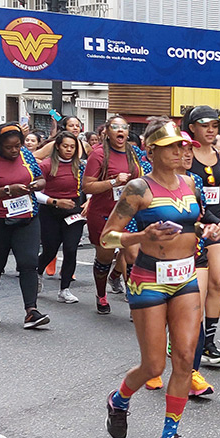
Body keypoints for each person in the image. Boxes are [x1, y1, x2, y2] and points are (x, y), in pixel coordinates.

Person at [102, 119, 220, 438]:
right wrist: (143, 237)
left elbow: (192, 224)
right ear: (152, 151)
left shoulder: (191, 183)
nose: (180, 151)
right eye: (172, 147)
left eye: (183, 146)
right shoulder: (139, 189)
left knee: (185, 358)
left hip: (185, 278)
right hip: (149, 279)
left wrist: (209, 230)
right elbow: (107, 236)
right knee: (154, 365)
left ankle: (169, 435)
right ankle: (119, 399)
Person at [0, 122, 50, 328]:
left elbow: (41, 178)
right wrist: (6, 190)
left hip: (26, 219)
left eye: (18, 145)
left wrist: (36, 185)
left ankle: (31, 311)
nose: (15, 150)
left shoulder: (26, 156)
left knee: (28, 263)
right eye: (9, 147)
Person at [181, 106, 220, 365]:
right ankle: (189, 338)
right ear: (192, 128)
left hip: (218, 223)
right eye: (205, 125)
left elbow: (219, 189)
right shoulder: (185, 152)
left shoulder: (219, 154)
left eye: (215, 125)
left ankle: (209, 340)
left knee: (218, 282)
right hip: (193, 223)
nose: (212, 130)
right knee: (196, 290)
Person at [83, 115, 143, 314]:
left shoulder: (133, 152)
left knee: (134, 255)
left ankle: (135, 301)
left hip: (129, 213)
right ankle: (101, 295)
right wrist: (114, 182)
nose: (121, 131)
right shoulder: (98, 154)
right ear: (106, 132)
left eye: (124, 127)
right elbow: (87, 186)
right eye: (115, 127)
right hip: (104, 214)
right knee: (105, 258)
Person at [35, 131, 85, 303]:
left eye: (72, 147)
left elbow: (89, 186)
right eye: (65, 146)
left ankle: (64, 289)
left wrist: (89, 202)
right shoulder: (46, 165)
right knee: (50, 250)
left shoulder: (81, 166)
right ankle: (38, 273)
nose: (69, 150)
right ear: (57, 147)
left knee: (71, 249)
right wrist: (55, 201)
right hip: (50, 211)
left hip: (73, 212)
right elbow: (34, 193)